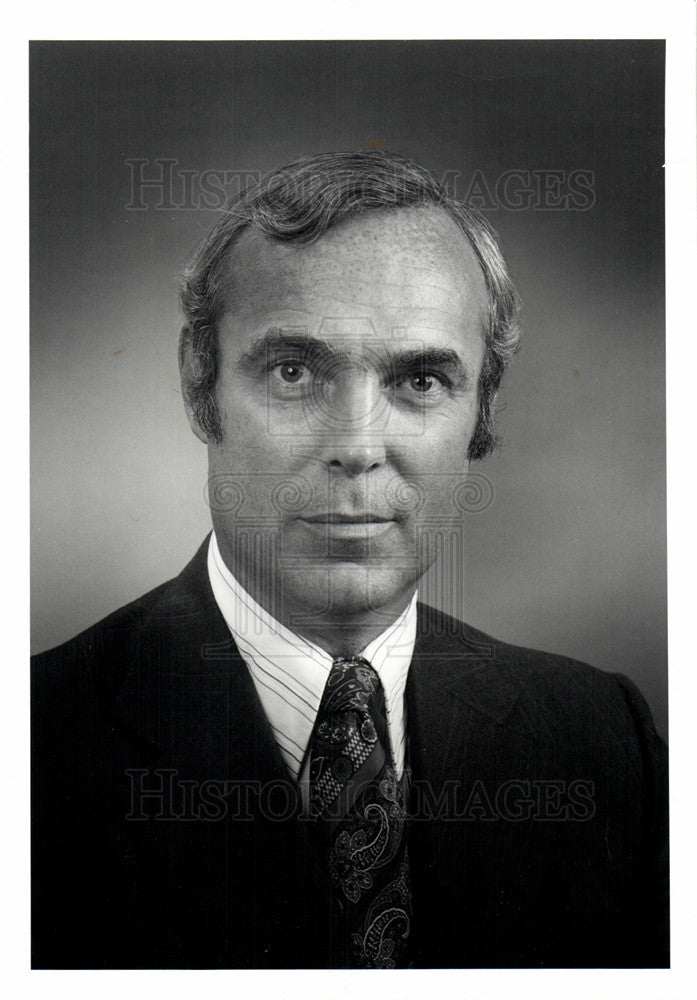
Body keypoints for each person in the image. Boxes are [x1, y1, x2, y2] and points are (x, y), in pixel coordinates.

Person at [31, 149, 668, 969]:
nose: (357, 447)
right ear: (200, 386)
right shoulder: (37, 742)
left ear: (482, 411)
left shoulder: (603, 741)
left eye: (420, 381)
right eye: (295, 372)